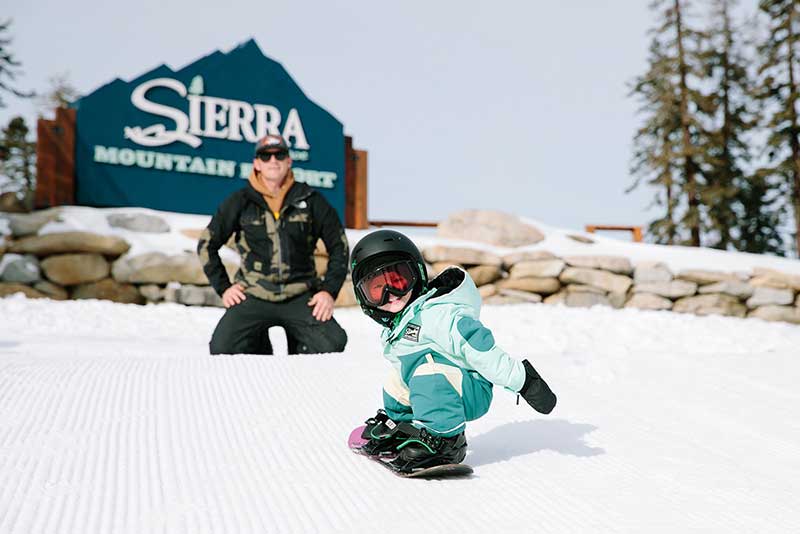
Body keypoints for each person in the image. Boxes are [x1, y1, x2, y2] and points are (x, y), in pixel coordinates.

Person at [349, 229, 556, 472]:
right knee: (396, 380)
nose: (391, 295)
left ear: (417, 274)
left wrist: (525, 381)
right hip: (441, 389)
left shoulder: (441, 315)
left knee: (429, 374)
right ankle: (403, 428)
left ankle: (446, 441)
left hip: (470, 389)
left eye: (398, 281)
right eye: (377, 290)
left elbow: (481, 349)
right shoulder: (401, 323)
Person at [198, 134, 349, 355]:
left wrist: (328, 292)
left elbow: (339, 247)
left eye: (280, 155)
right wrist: (224, 288)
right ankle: (258, 343)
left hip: (300, 295)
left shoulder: (311, 200)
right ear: (257, 163)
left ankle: (299, 345)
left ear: (289, 161)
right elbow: (206, 244)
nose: (273, 161)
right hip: (254, 293)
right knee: (223, 349)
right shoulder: (240, 201)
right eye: (265, 156)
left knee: (332, 343)